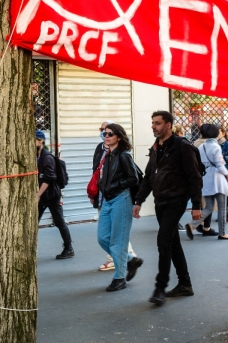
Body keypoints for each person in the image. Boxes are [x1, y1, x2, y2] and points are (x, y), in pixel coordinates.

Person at [133, 111, 203, 305]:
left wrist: (196, 205)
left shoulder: (182, 146)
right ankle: (185, 284)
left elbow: (194, 177)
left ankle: (160, 288)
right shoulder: (156, 147)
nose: (153, 126)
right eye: (152, 123)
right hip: (160, 201)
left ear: (169, 125)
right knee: (173, 243)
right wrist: (138, 201)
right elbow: (148, 177)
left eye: (157, 123)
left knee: (163, 241)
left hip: (177, 201)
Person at [95, 124, 143, 291]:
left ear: (119, 137)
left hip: (121, 200)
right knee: (102, 238)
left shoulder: (124, 155)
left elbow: (134, 178)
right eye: (104, 133)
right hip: (108, 201)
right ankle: (130, 259)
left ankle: (119, 277)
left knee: (118, 242)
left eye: (110, 134)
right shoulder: (107, 155)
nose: (106, 136)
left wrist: (115, 185)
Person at [185, 123, 228, 240]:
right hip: (218, 179)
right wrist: (226, 174)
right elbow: (220, 165)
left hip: (206, 178)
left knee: (208, 207)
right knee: (222, 207)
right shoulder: (216, 147)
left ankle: (192, 225)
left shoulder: (201, 147)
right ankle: (222, 232)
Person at [36, 130, 74, 260]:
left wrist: (38, 194)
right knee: (33, 221)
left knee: (59, 222)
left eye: (34, 140)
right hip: (44, 195)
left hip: (51, 195)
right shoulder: (38, 155)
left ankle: (69, 248)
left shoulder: (47, 157)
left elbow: (49, 177)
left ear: (40, 141)